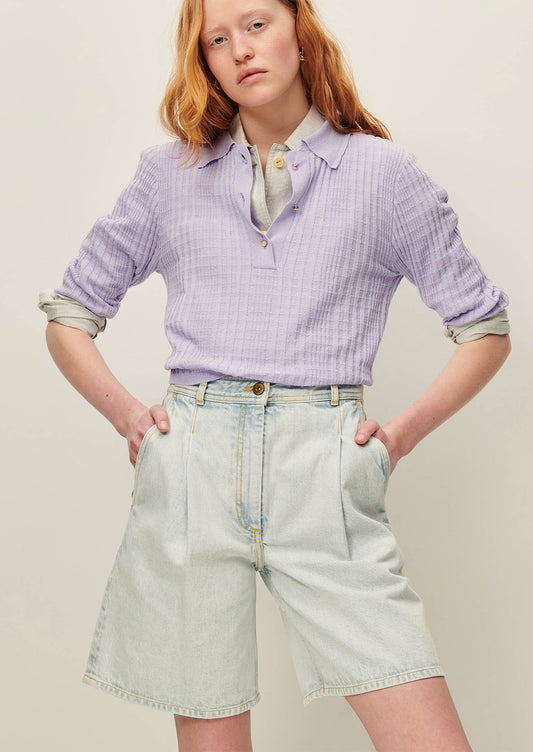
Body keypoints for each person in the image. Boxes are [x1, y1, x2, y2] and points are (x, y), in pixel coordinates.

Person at [38, 0, 511, 749]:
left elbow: (483, 329)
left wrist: (398, 438)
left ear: (299, 30)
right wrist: (131, 417)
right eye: (217, 39)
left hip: (321, 469)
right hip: (192, 472)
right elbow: (70, 314)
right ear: (203, 60)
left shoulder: (381, 174)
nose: (239, 50)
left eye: (256, 24)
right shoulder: (169, 175)